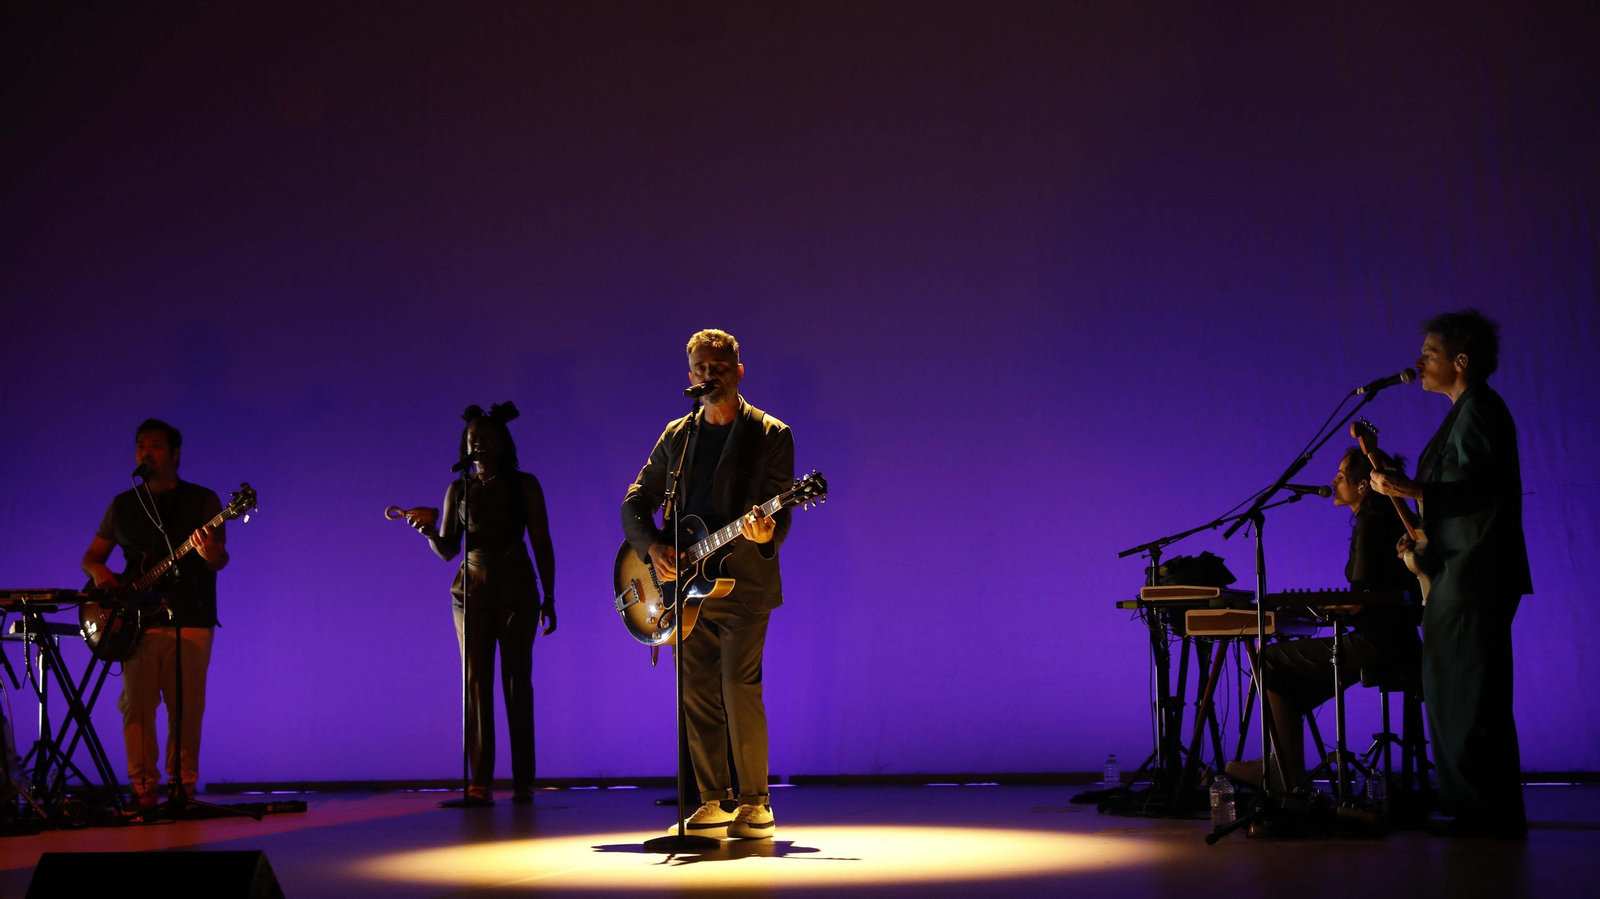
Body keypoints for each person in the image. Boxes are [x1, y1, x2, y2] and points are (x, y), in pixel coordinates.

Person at [622, 329, 794, 840]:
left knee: (739, 688)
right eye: (700, 368)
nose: (708, 375)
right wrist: (651, 546)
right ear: (690, 375)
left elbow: (779, 509)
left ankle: (755, 804)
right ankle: (714, 801)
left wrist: (766, 533)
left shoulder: (769, 434)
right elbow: (636, 500)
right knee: (695, 690)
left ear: (738, 372)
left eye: (718, 367)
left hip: (744, 585)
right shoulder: (678, 435)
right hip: (686, 587)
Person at [1370, 309, 1531, 838]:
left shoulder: (1481, 409)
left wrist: (1412, 490)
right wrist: (1414, 518)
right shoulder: (1460, 413)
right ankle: (1475, 803)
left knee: (1466, 689)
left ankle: (1483, 809)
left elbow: (1483, 490)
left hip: (1477, 572)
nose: (1419, 362)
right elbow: (1457, 492)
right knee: (1455, 687)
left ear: (1461, 362)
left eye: (1430, 354)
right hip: (1458, 569)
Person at [1227, 448, 1422, 791]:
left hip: (1377, 642)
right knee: (1286, 676)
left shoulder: (1371, 523)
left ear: (1364, 486)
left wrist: (1312, 609)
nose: (1333, 481)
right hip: (1396, 638)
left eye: (1342, 476)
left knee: (1267, 659)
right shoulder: (1381, 519)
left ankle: (1282, 771)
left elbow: (1361, 601)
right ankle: (1283, 768)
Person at [406, 402, 556, 805]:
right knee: (475, 683)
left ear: (502, 444)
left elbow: (541, 541)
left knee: (516, 682)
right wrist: (427, 533)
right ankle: (479, 782)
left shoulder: (525, 484)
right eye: (472, 440)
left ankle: (523, 781)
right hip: (469, 590)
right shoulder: (459, 489)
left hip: (517, 586)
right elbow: (449, 549)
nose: (479, 445)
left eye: (486, 439)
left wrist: (550, 596)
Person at [82, 419, 228, 810]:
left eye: (156, 445)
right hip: (136, 623)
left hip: (190, 619)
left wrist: (206, 551)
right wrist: (103, 575)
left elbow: (219, 560)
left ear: (176, 454)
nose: (146, 452)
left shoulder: (203, 500)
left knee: (186, 709)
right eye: (140, 445)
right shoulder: (123, 505)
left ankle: (183, 788)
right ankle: (143, 789)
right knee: (137, 707)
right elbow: (92, 557)